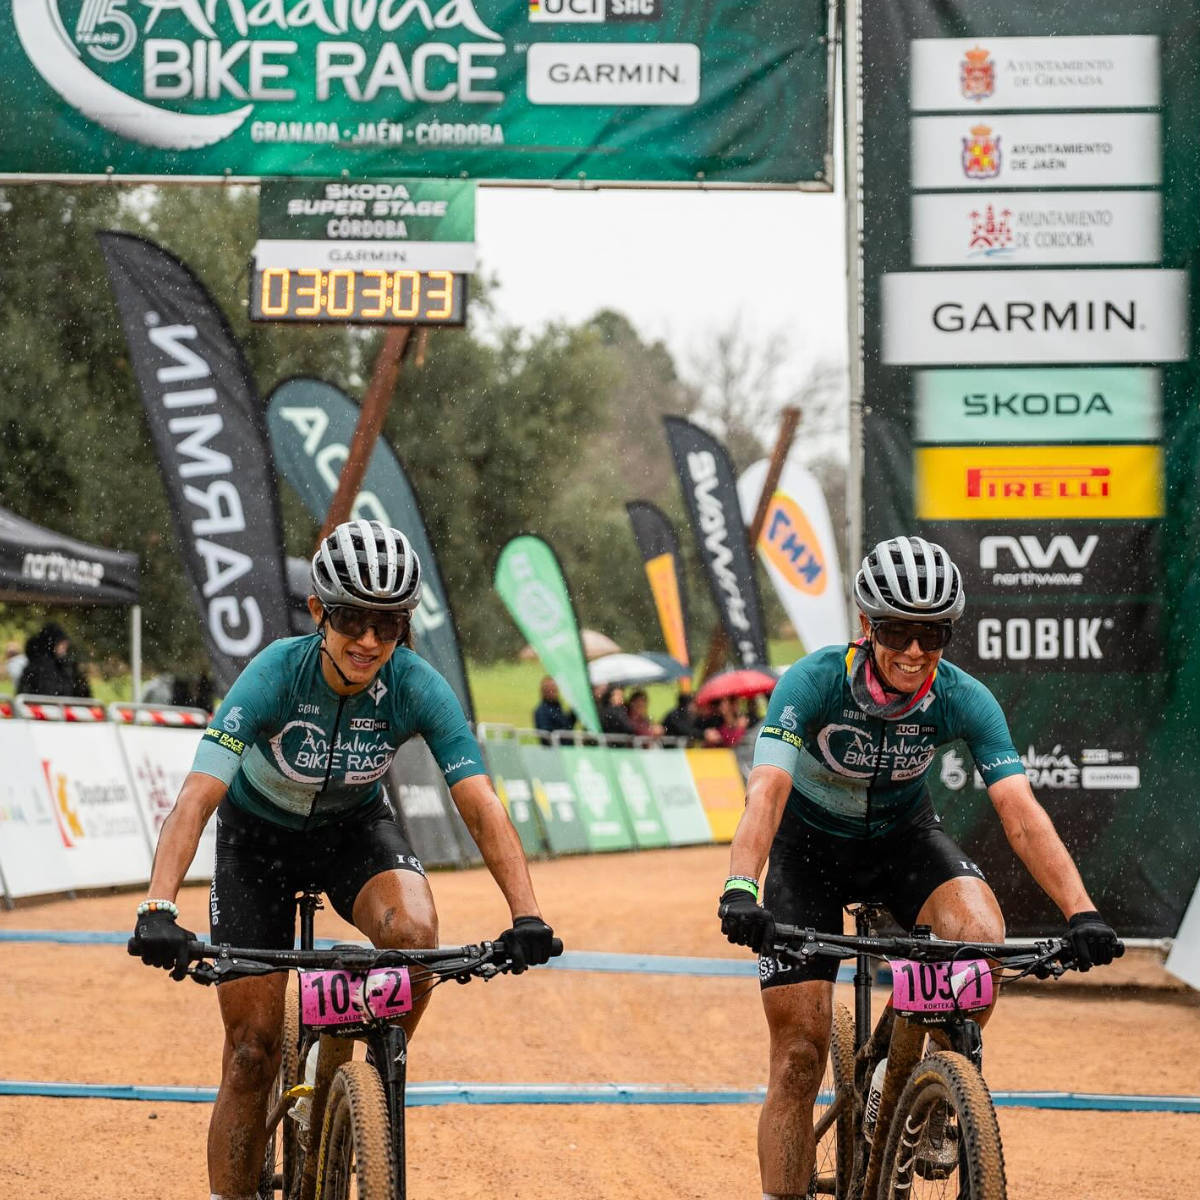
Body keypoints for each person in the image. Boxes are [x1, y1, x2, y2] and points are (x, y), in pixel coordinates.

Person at [128, 520, 557, 1200]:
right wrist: (157, 906)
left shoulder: (416, 685)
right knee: (249, 1052)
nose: (367, 641)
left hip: (352, 834)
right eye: (352, 619)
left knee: (416, 940)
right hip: (256, 845)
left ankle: (357, 1072)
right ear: (319, 611)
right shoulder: (275, 673)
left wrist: (527, 914)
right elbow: (196, 796)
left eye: (386, 626)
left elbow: (479, 803)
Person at [717, 535, 1121, 1200]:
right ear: (867, 627)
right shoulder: (814, 682)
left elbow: (1018, 811)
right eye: (898, 630)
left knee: (981, 941)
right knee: (797, 1059)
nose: (914, 650)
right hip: (807, 854)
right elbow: (766, 791)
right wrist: (740, 886)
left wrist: (1082, 910)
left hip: (903, 841)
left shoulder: (963, 697)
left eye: (932, 634)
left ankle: (921, 1085)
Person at [18, 622, 91, 698]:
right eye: (61, 643)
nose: (65, 646)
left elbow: (83, 692)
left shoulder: (68, 667)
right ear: (53, 643)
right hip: (43, 708)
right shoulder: (37, 668)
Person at [533, 675, 576, 741]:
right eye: (549, 689)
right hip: (555, 749)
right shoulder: (541, 711)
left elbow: (568, 724)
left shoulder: (556, 707)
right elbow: (547, 735)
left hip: (566, 747)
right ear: (543, 692)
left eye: (554, 689)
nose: (552, 692)